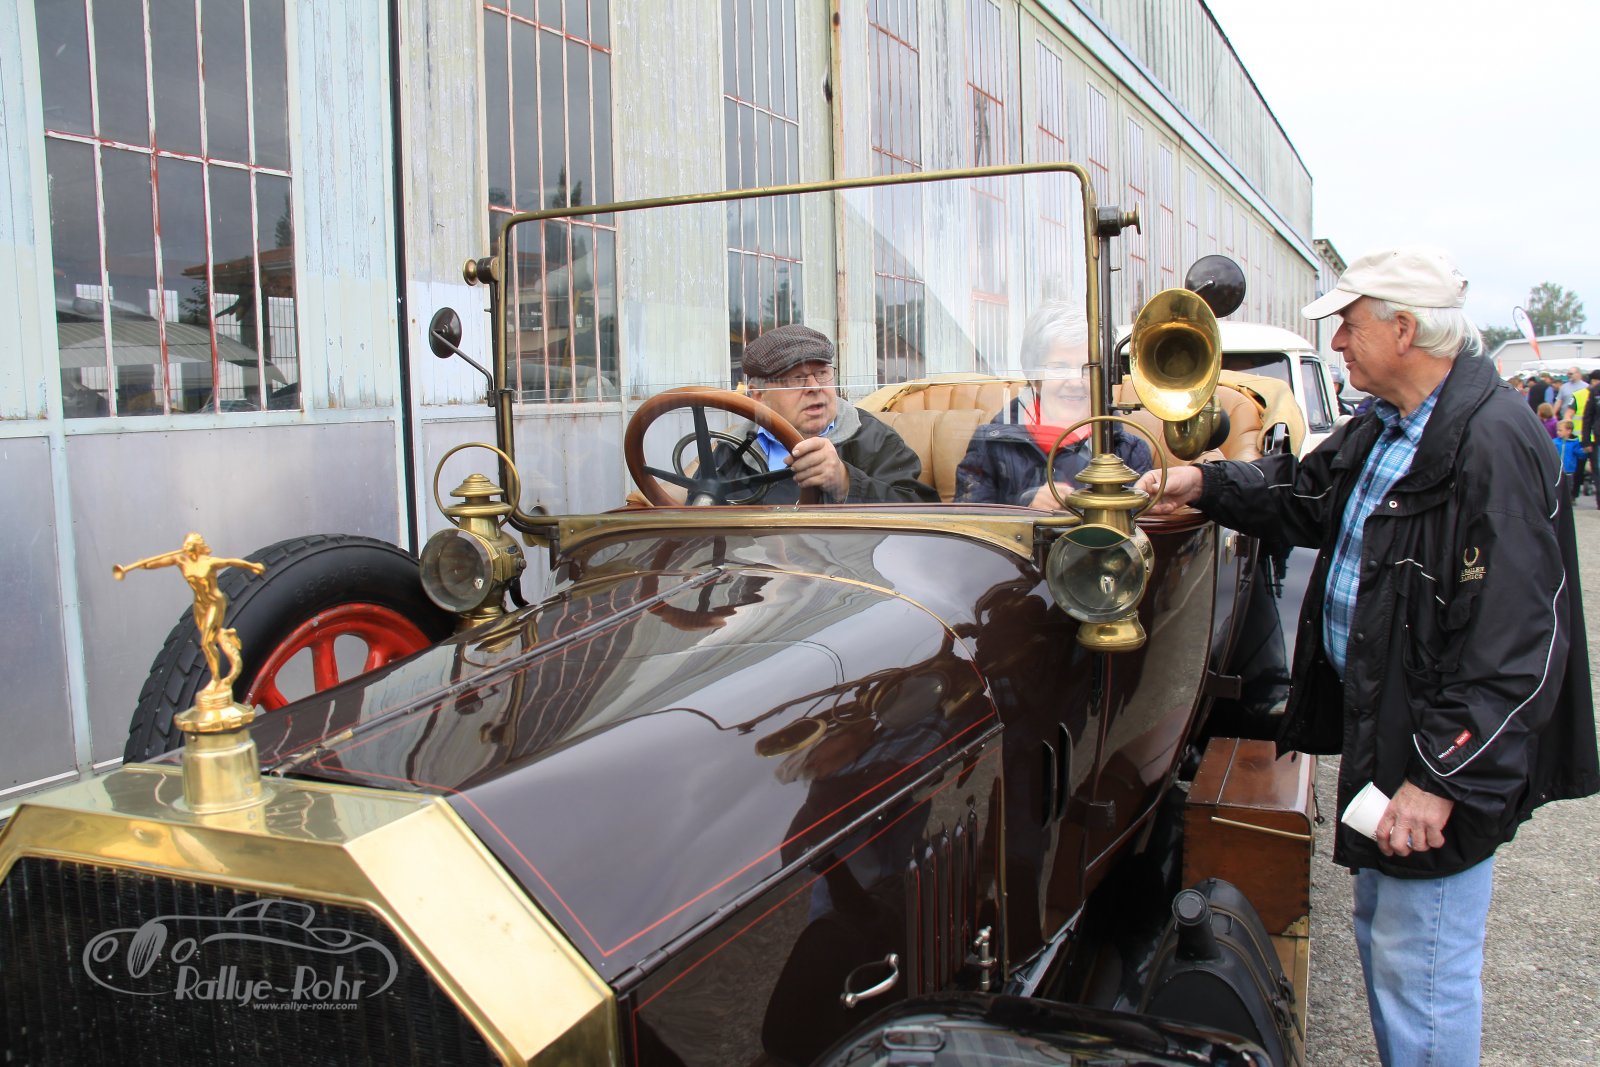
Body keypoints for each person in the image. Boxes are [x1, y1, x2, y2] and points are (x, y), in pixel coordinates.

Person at [1134, 245, 1597, 1067]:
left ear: (1405, 330)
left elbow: (1517, 651)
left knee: (1423, 971)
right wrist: (1202, 484)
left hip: (1433, 757)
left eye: (1349, 325)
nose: (1339, 343)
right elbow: (1302, 495)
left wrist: (1440, 780)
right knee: (1390, 941)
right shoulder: (1388, 426)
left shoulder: (1493, 443)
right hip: (1391, 733)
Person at [955, 303, 1151, 507]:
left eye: (1088, 369)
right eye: (1059, 368)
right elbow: (968, 519)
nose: (1075, 382)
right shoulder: (990, 443)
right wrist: (1026, 507)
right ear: (1034, 376)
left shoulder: (1129, 452)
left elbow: (1138, 523)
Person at [717, 325, 936, 504]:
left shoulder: (873, 439)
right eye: (797, 379)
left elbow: (921, 515)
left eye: (822, 373)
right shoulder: (732, 449)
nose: (815, 387)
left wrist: (846, 482)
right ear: (758, 395)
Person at [114, 533, 267, 703]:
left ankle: (215, 679)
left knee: (206, 643)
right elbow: (162, 561)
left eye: (189, 545)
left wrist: (253, 566)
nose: (186, 548)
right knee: (211, 639)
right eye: (186, 545)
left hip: (214, 603)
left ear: (196, 547)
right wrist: (145, 565)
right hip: (200, 605)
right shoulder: (182, 561)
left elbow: (231, 562)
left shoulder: (209, 562)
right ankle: (226, 636)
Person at [1553, 419, 1583, 500]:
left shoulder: (1575, 443)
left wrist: (1583, 452)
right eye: (1557, 430)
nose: (1558, 432)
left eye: (1560, 430)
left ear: (1568, 431)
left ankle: (1568, 500)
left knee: (1568, 487)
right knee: (1557, 487)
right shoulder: (1555, 442)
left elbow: (1580, 454)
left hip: (1569, 470)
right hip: (1557, 470)